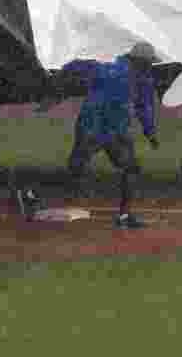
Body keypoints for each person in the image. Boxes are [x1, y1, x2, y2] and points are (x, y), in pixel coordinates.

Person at [51, 41, 162, 227]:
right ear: (139, 61)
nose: (150, 66)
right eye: (148, 62)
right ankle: (124, 215)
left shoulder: (107, 64)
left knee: (80, 166)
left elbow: (75, 66)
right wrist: (149, 133)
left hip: (96, 126)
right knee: (122, 168)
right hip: (105, 128)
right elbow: (144, 108)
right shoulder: (139, 77)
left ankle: (37, 195)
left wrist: (58, 78)